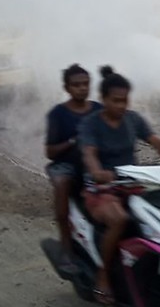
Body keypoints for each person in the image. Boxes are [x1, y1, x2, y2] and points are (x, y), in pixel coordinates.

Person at [79, 66, 160, 305]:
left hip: (131, 184)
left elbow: (158, 143)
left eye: (124, 100)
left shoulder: (132, 119)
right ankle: (103, 276)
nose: (121, 106)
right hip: (100, 189)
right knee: (120, 220)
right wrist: (98, 172)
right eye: (115, 101)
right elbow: (89, 153)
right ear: (104, 99)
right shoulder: (91, 124)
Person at [44, 64, 102, 274]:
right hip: (66, 165)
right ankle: (66, 249)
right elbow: (50, 152)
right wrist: (72, 141)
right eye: (76, 85)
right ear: (67, 88)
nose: (82, 88)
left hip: (94, 165)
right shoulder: (58, 114)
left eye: (85, 84)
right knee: (62, 183)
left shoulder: (97, 110)